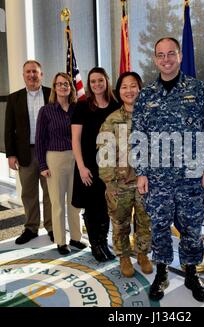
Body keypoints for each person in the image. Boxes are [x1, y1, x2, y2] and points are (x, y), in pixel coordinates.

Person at [131, 37, 204, 302]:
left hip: (192, 176)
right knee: (159, 226)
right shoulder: (146, 95)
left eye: (171, 53)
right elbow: (139, 135)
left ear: (180, 56)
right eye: (160, 55)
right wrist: (141, 171)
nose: (166, 59)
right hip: (157, 178)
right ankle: (161, 273)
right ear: (155, 59)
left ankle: (192, 273)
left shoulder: (199, 90)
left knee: (192, 227)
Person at [98, 72, 152, 277]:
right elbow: (104, 155)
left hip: (145, 183)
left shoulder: (150, 118)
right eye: (124, 87)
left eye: (133, 86)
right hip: (120, 184)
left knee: (145, 222)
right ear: (118, 91)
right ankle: (123, 257)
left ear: (140, 89)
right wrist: (110, 183)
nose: (129, 91)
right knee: (120, 223)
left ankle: (142, 254)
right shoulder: (112, 120)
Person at [35, 72, 86, 255]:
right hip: (55, 159)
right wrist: (42, 165)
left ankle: (75, 238)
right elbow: (40, 140)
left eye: (66, 84)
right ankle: (60, 241)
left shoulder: (76, 109)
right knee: (57, 202)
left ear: (71, 88)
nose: (63, 87)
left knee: (75, 201)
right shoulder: (46, 111)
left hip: (75, 157)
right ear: (54, 88)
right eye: (59, 84)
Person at [71, 67, 118, 262]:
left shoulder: (116, 105)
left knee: (106, 206)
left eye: (100, 80)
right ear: (89, 85)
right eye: (92, 81)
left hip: (109, 166)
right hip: (88, 166)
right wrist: (81, 167)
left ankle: (103, 241)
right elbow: (75, 140)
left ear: (106, 81)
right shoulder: (82, 107)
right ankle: (95, 246)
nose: (97, 84)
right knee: (92, 207)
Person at [4, 60, 53, 244]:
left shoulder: (52, 94)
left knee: (50, 193)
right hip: (25, 154)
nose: (32, 75)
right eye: (28, 72)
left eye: (35, 71)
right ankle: (31, 228)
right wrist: (11, 154)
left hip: (49, 153)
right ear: (23, 75)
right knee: (28, 193)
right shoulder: (14, 98)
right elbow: (9, 129)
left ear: (41, 74)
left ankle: (52, 228)